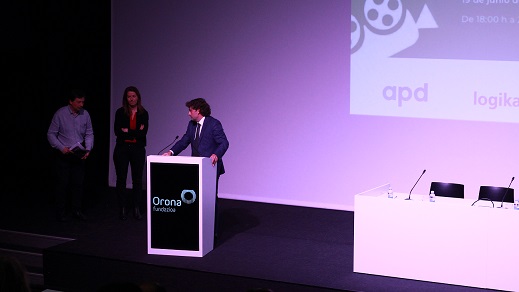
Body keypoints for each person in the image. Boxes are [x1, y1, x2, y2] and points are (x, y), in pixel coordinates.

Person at [162, 98, 229, 238]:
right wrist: (171, 152)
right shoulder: (191, 125)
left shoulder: (213, 124)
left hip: (210, 167)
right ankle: (196, 228)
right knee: (194, 198)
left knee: (210, 199)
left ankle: (212, 231)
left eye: (190, 110)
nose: (188, 113)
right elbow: (184, 141)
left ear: (198, 110)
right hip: (195, 168)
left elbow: (224, 142)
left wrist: (216, 155)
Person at [47, 90, 94, 222]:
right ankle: (61, 213)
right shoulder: (60, 114)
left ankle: (76, 211)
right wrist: (62, 148)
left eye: (83, 101)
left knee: (78, 184)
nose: (81, 104)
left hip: (78, 155)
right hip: (64, 154)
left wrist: (88, 149)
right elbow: (51, 134)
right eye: (78, 102)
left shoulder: (85, 114)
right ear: (71, 101)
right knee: (62, 184)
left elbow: (89, 133)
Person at [113, 86, 149, 220]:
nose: (131, 99)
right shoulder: (120, 112)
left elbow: (143, 133)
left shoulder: (143, 113)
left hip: (138, 149)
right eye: (129, 96)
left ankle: (136, 208)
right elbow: (117, 132)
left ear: (138, 97)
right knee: (121, 179)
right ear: (126, 98)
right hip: (122, 149)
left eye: (134, 96)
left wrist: (127, 131)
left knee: (137, 180)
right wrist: (134, 132)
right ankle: (122, 208)